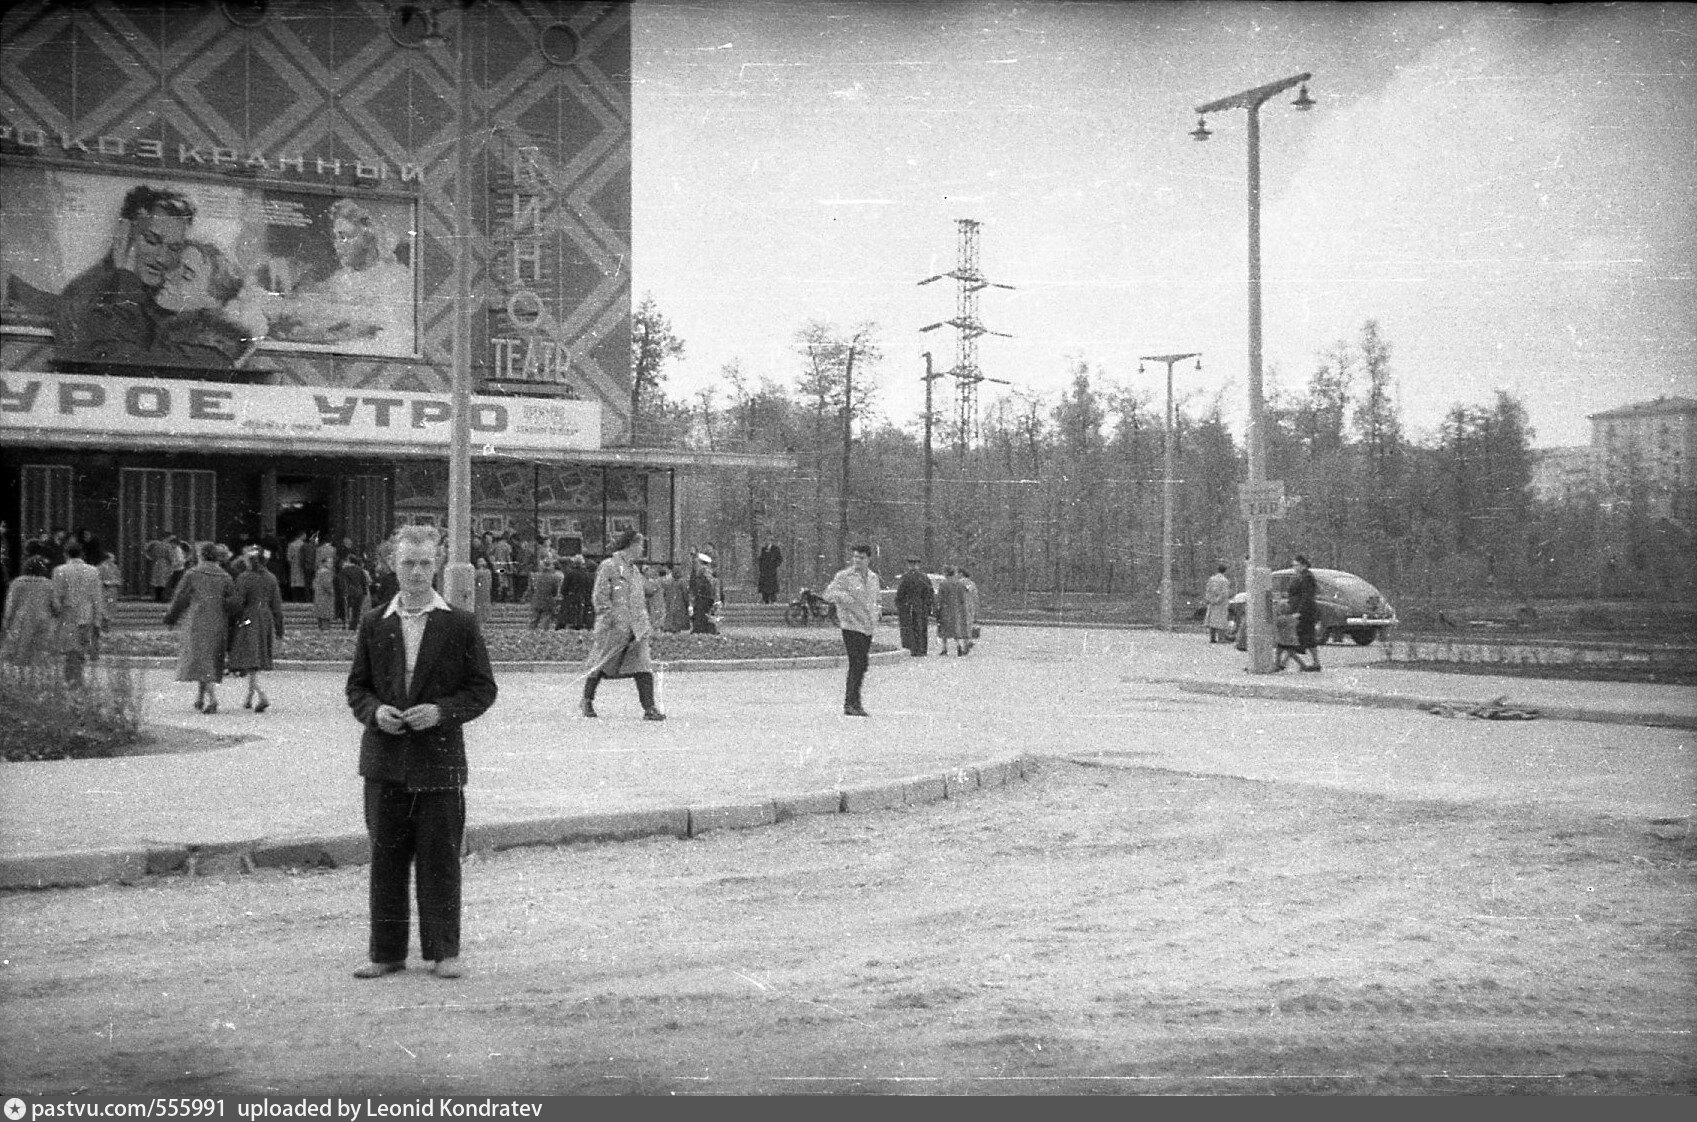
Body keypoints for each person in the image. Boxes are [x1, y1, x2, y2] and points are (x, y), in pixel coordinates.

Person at [346, 524, 498, 980]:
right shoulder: (375, 622)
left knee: (439, 860)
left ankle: (444, 951)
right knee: (386, 861)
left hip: (439, 763)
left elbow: (482, 690)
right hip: (385, 764)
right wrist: (375, 714)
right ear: (392, 565)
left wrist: (443, 712)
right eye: (408, 563)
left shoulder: (459, 623)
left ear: (437, 564)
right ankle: (386, 953)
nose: (417, 572)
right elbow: (357, 687)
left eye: (425, 563)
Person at [52, 185, 235, 368]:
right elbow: (111, 361)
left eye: (174, 248)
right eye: (151, 241)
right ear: (124, 231)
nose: (162, 258)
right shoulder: (87, 292)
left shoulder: (162, 298)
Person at [580, 529, 665, 721]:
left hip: (636, 629)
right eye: (641, 544)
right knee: (601, 665)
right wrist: (612, 619)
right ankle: (586, 701)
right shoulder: (608, 566)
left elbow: (641, 597)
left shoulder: (634, 571)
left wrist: (644, 623)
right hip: (613, 628)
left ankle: (649, 708)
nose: (642, 548)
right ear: (631, 545)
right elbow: (600, 597)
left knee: (643, 665)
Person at [164, 541, 234, 713]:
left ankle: (212, 699)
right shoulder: (225, 576)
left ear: (201, 555)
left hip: (197, 621)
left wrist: (171, 617)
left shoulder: (192, 574)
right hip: (218, 621)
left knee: (201, 659)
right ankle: (200, 697)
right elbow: (233, 602)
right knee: (208, 658)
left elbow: (180, 597)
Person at [822, 544, 880, 717]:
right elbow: (829, 594)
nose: (857, 561)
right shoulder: (844, 576)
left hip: (867, 626)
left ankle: (855, 700)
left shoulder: (873, 577)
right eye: (855, 557)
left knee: (862, 664)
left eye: (861, 558)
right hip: (851, 625)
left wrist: (877, 613)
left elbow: (875, 598)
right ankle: (851, 703)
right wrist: (845, 599)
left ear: (868, 559)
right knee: (856, 663)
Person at [226, 551, 284, 712]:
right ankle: (249, 696)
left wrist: (227, 609)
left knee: (249, 656)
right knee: (256, 657)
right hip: (266, 618)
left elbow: (238, 601)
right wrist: (279, 630)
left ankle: (261, 694)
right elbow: (277, 606)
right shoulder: (271, 578)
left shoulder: (245, 577)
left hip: (249, 617)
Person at [50, 540, 103, 686]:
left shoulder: (59, 570)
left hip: (67, 614)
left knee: (69, 649)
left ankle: (72, 680)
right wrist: (98, 618)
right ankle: (76, 679)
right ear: (82, 554)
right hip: (86, 614)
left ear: (65, 554)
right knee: (81, 648)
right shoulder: (93, 571)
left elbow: (56, 596)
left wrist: (56, 612)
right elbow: (97, 596)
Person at [1, 555, 56, 666]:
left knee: (19, 655)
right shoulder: (49, 584)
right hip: (43, 621)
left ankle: (21, 680)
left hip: (21, 621)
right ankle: (35, 680)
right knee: (38, 656)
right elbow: (55, 605)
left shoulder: (17, 583)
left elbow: (10, 605)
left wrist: (6, 624)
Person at [1282, 554, 1322, 672]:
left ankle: (1283, 662)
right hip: (1302, 611)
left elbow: (1306, 596)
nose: (1294, 567)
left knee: (1295, 637)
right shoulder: (1300, 576)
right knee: (1308, 639)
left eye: (1296, 565)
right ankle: (1315, 663)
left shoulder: (1307, 577)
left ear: (1304, 565)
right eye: (1293, 565)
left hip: (1304, 613)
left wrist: (1299, 611)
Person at [894, 557, 934, 657]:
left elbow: (900, 593)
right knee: (921, 628)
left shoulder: (906, 577)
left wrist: (899, 605)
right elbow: (930, 593)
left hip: (908, 607)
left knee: (908, 628)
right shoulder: (924, 577)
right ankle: (922, 649)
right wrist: (928, 606)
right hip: (921, 607)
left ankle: (911, 648)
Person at [935, 567, 971, 656]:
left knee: (944, 630)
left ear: (946, 573)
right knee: (955, 630)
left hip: (945, 609)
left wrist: (937, 608)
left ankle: (944, 648)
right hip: (956, 609)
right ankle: (958, 645)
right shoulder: (959, 584)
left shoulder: (943, 584)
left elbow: (940, 598)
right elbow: (963, 598)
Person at [526, 558, 562, 630]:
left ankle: (530, 635)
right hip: (548, 601)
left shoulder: (535, 576)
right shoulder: (554, 577)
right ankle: (543, 637)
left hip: (536, 600)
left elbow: (531, 589)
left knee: (533, 621)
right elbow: (555, 591)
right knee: (545, 621)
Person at [340, 551, 371, 631]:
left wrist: (343, 592)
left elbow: (343, 582)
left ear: (349, 561)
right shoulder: (360, 570)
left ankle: (345, 625)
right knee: (356, 611)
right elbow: (363, 582)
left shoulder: (345, 570)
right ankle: (353, 627)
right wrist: (364, 592)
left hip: (349, 592)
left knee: (346, 609)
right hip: (359, 592)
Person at [688, 554, 719, 635]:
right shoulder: (706, 571)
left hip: (703, 597)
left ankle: (702, 629)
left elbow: (706, 585)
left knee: (701, 614)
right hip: (705, 597)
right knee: (704, 614)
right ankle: (705, 629)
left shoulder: (703, 571)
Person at [1203, 563, 1232, 644]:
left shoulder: (1211, 579)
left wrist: (1210, 600)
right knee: (1221, 620)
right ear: (1225, 571)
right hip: (1221, 604)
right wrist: (1218, 600)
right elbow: (1224, 593)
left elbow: (1208, 589)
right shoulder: (1225, 581)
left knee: (1212, 620)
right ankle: (1221, 638)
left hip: (1212, 602)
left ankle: (1212, 638)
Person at [145, 531, 176, 602]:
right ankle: (162, 597)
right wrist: (172, 563)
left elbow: (153, 554)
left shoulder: (157, 545)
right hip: (165, 564)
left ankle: (157, 597)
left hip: (157, 563)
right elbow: (170, 556)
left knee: (157, 581)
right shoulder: (168, 546)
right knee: (163, 581)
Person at [661, 564, 690, 633]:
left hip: (671, 604)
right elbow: (685, 594)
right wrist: (687, 603)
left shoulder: (669, 582)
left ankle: (671, 629)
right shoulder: (682, 582)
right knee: (678, 620)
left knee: (673, 619)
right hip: (680, 604)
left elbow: (665, 594)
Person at [313, 556, 338, 630]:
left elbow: (314, 584)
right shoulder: (326, 572)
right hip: (325, 598)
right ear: (325, 563)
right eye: (330, 562)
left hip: (319, 597)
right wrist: (334, 593)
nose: (332, 564)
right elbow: (328, 585)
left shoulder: (319, 571)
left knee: (321, 618)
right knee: (325, 618)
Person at [286, 531, 309, 603]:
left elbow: (289, 557)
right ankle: (302, 599)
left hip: (294, 565)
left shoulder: (291, 544)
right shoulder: (304, 545)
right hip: (302, 565)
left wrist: (290, 564)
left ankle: (294, 599)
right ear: (301, 535)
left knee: (294, 582)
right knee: (302, 582)